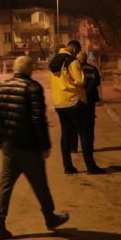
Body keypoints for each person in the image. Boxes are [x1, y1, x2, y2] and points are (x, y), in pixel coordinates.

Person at [0, 56, 70, 239]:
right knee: (40, 184)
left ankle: (0, 224)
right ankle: (50, 218)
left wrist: (2, 125)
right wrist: (44, 145)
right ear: (29, 70)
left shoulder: (0, 87)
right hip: (28, 146)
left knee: (5, 185)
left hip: (9, 145)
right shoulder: (32, 88)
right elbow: (38, 120)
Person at [48, 40, 106, 175]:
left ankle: (68, 167)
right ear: (74, 48)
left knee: (65, 135)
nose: (77, 53)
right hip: (74, 102)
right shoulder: (72, 61)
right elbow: (81, 81)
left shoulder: (53, 62)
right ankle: (91, 167)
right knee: (85, 134)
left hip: (59, 103)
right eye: (77, 51)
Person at [77, 51, 101, 148]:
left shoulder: (77, 69)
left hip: (80, 99)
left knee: (81, 124)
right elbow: (98, 82)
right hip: (91, 99)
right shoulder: (93, 69)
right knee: (90, 124)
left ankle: (82, 146)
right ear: (86, 59)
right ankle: (90, 145)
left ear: (78, 60)